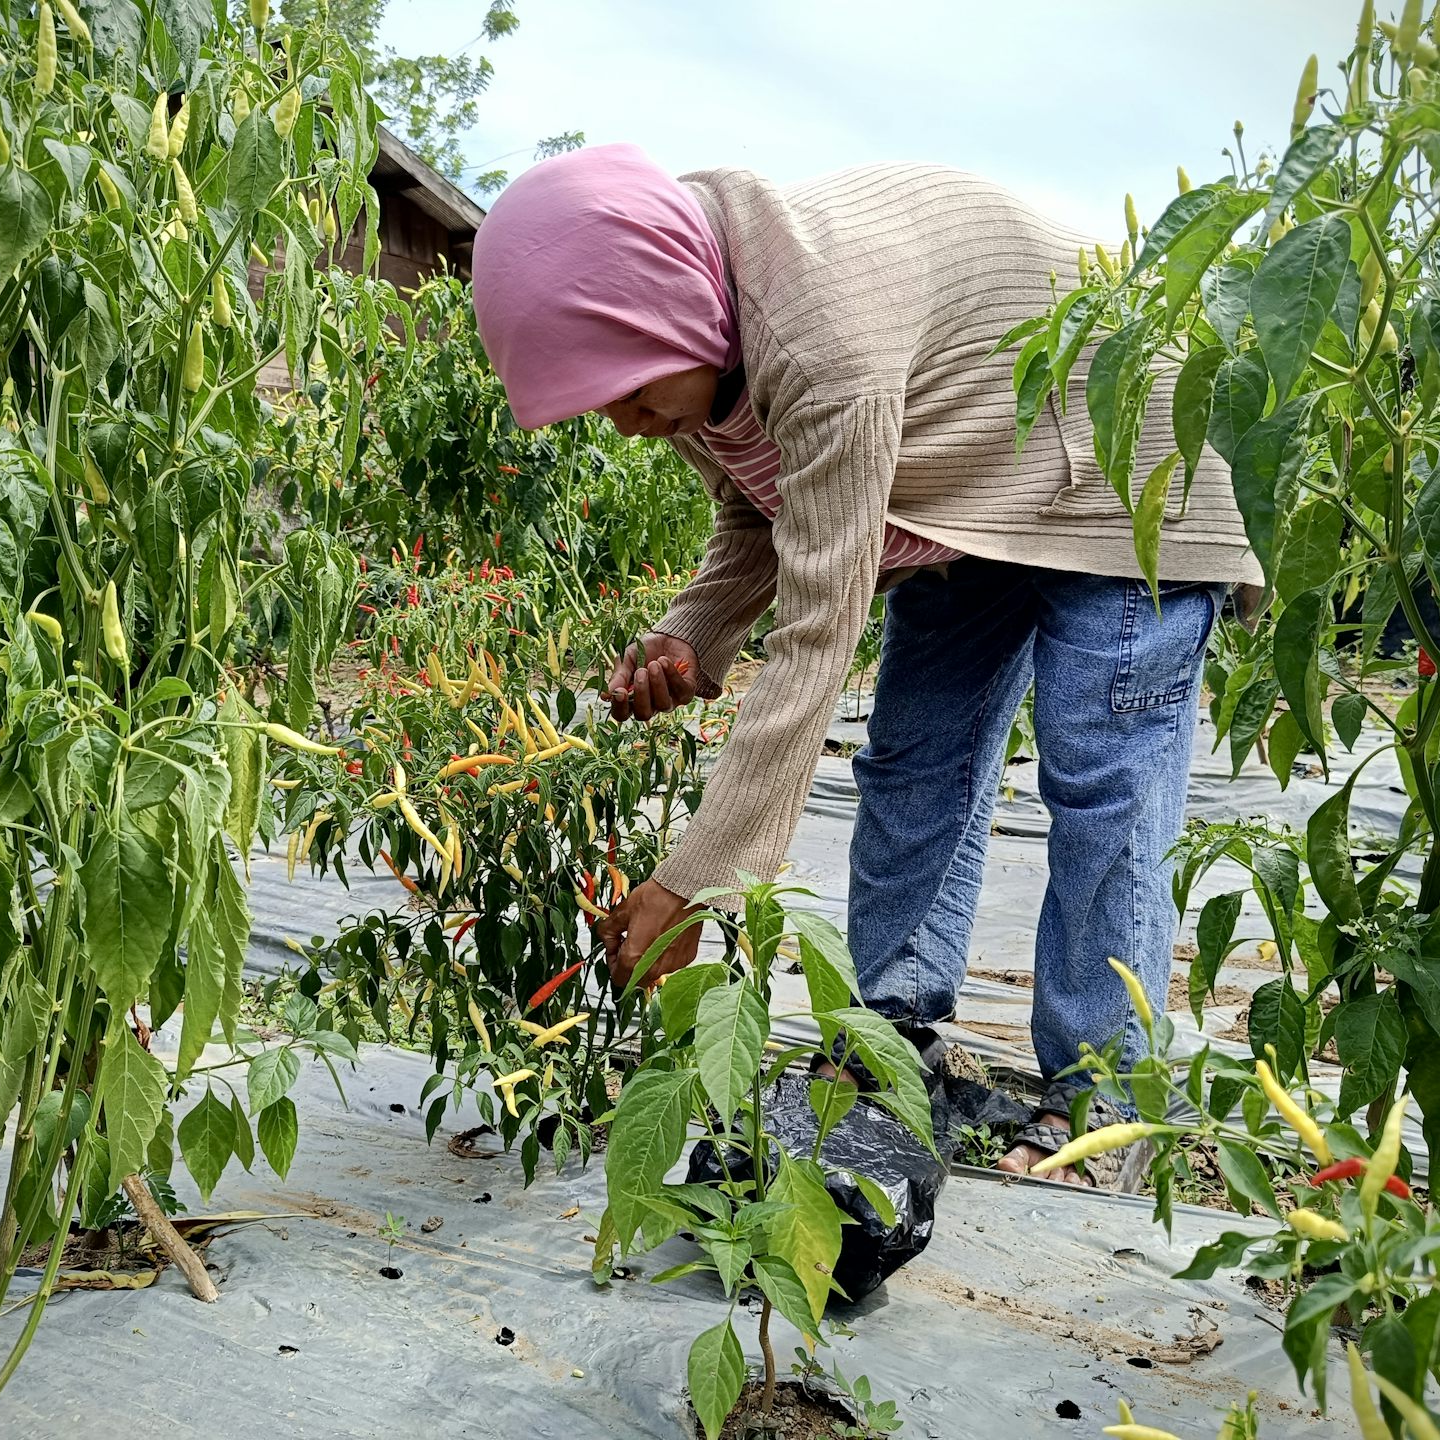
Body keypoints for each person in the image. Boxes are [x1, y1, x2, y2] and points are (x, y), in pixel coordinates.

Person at [470, 144, 1259, 1185]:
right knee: (917, 756)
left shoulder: (815, 335)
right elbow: (763, 506)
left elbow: (815, 632)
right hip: (965, 477)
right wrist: (691, 632)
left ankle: (1107, 1098)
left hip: (1128, 456)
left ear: (664, 311)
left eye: (622, 389)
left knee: (1100, 770)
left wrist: (695, 882)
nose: (621, 422)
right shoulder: (693, 328)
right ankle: (892, 1041)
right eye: (596, 401)